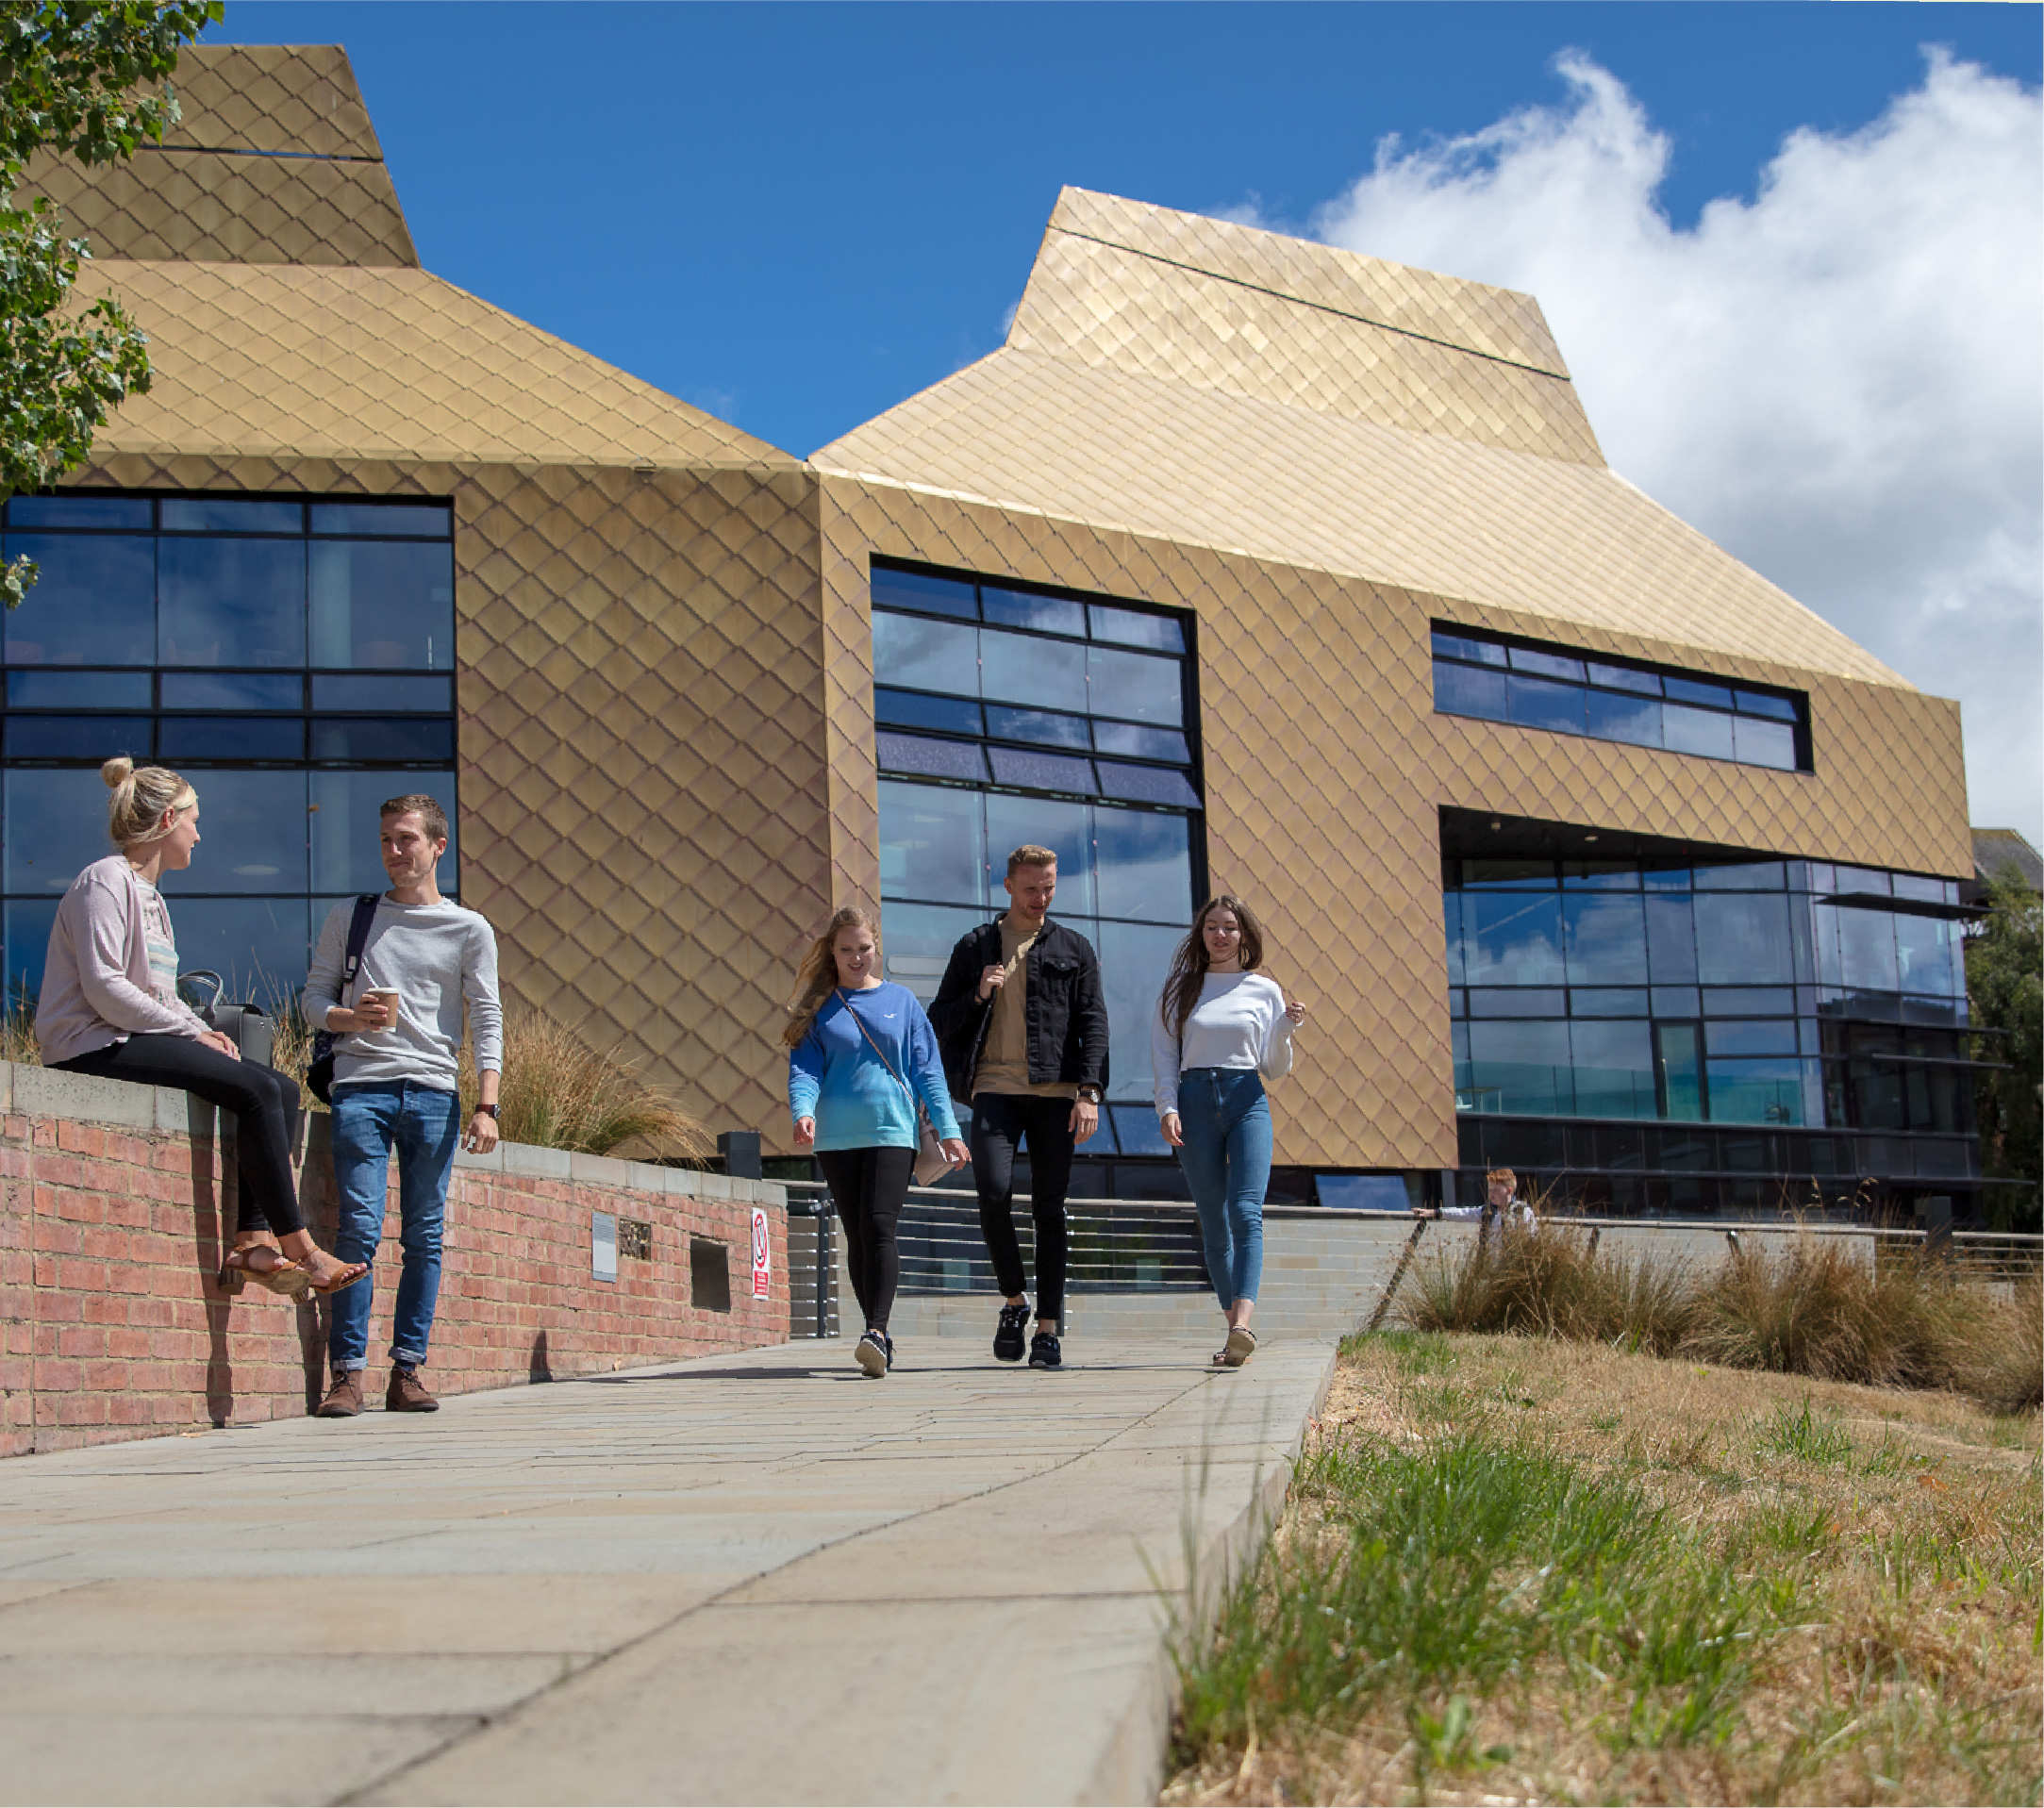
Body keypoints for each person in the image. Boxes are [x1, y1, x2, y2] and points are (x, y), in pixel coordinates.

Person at [37, 758, 366, 1300]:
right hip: (88, 1045)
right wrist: (188, 1031)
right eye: (194, 819)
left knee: (277, 1087)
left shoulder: (152, 898)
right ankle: (305, 1251)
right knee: (259, 1090)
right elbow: (105, 989)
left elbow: (158, 997)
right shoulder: (103, 881)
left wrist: (195, 1027)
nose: (199, 833)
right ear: (167, 820)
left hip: (130, 1037)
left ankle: (253, 1241)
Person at [303, 794, 502, 1418]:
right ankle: (347, 1375)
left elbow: (487, 1015)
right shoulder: (353, 916)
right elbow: (311, 998)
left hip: (434, 1093)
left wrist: (487, 1103)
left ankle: (407, 1369)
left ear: (438, 846)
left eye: (406, 839)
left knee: (424, 1234)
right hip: (360, 1085)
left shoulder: (468, 928)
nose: (393, 851)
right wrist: (346, 1016)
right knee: (358, 1227)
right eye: (386, 839)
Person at [929, 844, 1108, 1371]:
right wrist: (979, 996)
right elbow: (939, 1019)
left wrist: (1089, 1091)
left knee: (1049, 1210)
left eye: (1049, 886)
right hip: (994, 1088)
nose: (1041, 897)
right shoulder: (975, 946)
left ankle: (1048, 1330)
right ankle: (1014, 1301)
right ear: (1007, 885)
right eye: (1031, 888)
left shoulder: (1074, 947)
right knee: (992, 1193)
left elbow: (1093, 1022)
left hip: (1057, 1093)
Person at [786, 906, 968, 1377]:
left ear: (876, 948)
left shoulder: (902, 1002)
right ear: (832, 951)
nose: (855, 957)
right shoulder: (820, 1008)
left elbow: (929, 1070)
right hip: (836, 1136)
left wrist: (949, 1130)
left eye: (863, 948)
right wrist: (803, 1112)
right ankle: (879, 1336)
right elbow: (804, 1069)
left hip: (892, 1131)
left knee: (879, 1225)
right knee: (858, 1234)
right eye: (846, 949)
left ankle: (876, 1331)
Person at [1153, 895, 1306, 1369]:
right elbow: (1163, 1055)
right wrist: (1167, 1108)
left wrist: (1285, 1028)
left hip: (1246, 1098)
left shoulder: (1263, 989)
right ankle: (1233, 1332)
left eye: (1231, 927)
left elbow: (1275, 1068)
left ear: (1244, 936)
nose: (1221, 935)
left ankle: (1242, 1324)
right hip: (1194, 1101)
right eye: (1212, 926)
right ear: (1201, 934)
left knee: (1246, 1210)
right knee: (1214, 1221)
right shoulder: (1179, 989)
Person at [1416, 1166, 1537, 1230]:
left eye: (1495, 1190)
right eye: (1489, 1190)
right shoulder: (1487, 1212)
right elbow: (1464, 1213)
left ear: (1508, 1190)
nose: (1491, 1194)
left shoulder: (1522, 1211)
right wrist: (1434, 1212)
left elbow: (1532, 1239)